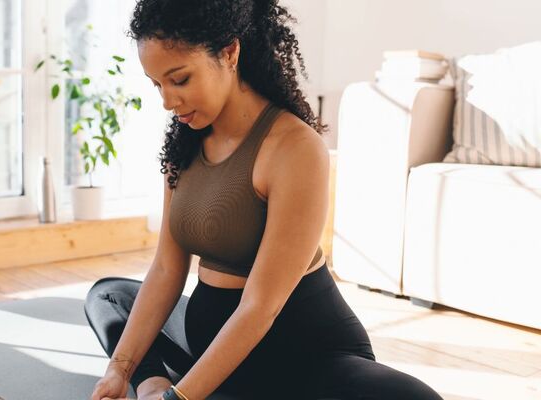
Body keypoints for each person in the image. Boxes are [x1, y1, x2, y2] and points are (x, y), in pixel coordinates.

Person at [84, 0, 443, 399]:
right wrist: (122, 370)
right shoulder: (183, 147)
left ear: (229, 53)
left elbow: (260, 306)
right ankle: (153, 385)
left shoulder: (294, 147)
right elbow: (167, 269)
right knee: (109, 295)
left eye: (180, 80)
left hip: (302, 357)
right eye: (157, 85)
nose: (168, 101)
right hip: (208, 349)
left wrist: (180, 399)